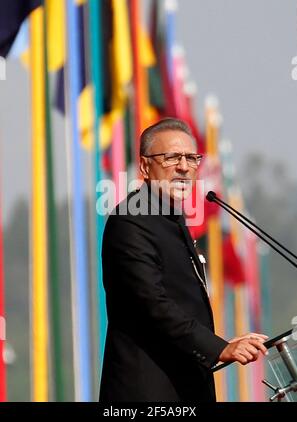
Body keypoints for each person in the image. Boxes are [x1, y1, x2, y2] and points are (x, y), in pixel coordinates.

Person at [99, 118, 268, 402]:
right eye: (172, 157)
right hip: (148, 392)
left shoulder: (171, 219)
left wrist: (221, 344)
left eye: (191, 158)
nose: (184, 167)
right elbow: (152, 303)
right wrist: (217, 348)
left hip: (185, 386)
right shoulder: (132, 219)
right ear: (144, 167)